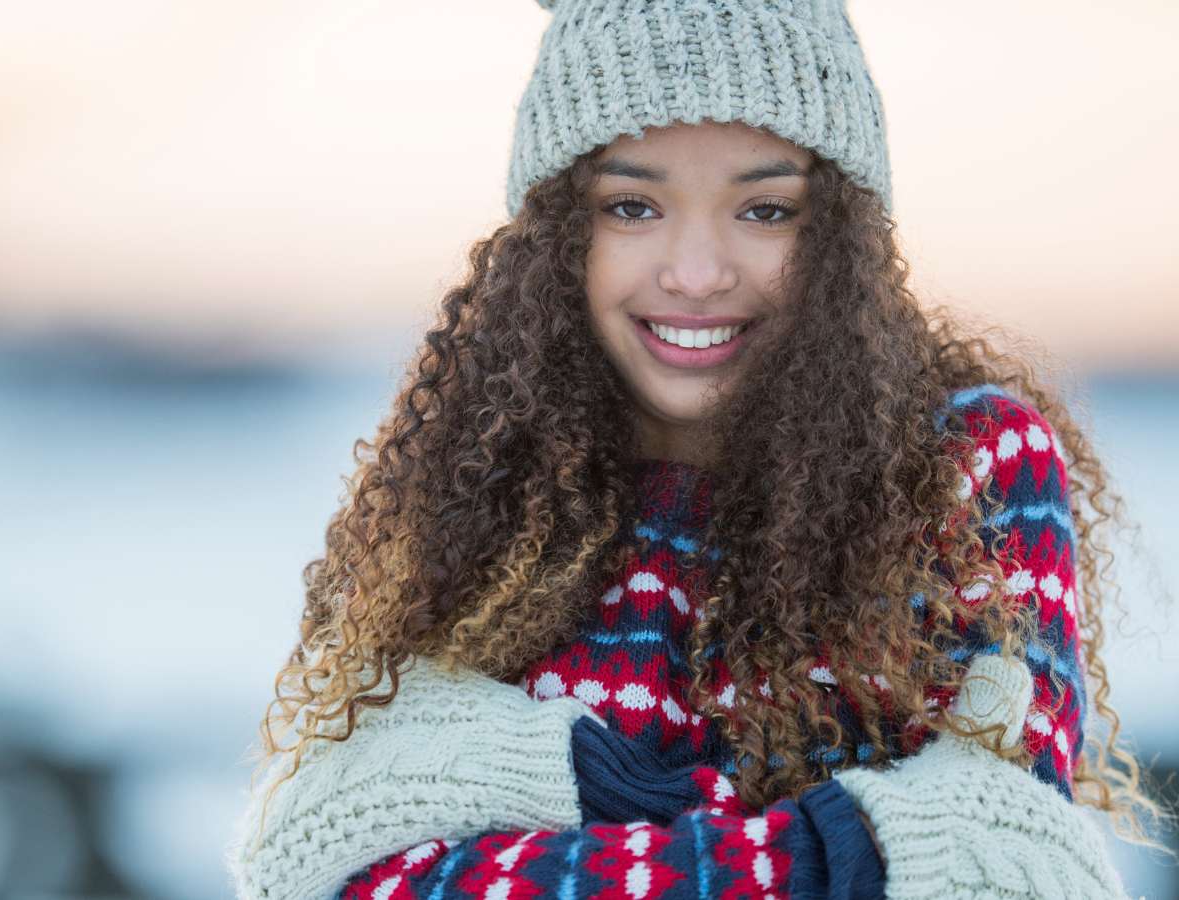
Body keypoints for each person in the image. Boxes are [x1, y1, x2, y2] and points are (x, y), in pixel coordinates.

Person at [226, 1, 1156, 897]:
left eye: (766, 211)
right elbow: (328, 863)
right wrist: (854, 849)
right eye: (633, 207)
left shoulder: (972, 469)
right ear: (559, 237)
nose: (699, 273)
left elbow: (1022, 864)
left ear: (843, 236)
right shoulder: (487, 496)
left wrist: (581, 805)